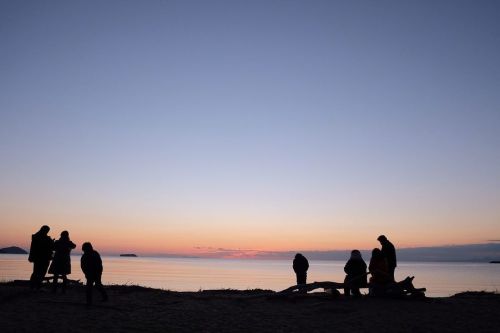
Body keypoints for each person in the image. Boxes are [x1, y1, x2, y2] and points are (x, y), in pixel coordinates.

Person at [28, 225, 54, 290]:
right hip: (44, 258)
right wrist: (51, 242)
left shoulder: (36, 237)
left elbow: (32, 248)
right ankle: (37, 286)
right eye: (47, 230)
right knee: (41, 272)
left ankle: (33, 286)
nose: (47, 232)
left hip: (38, 258)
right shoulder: (46, 238)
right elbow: (50, 247)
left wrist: (31, 256)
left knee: (36, 272)